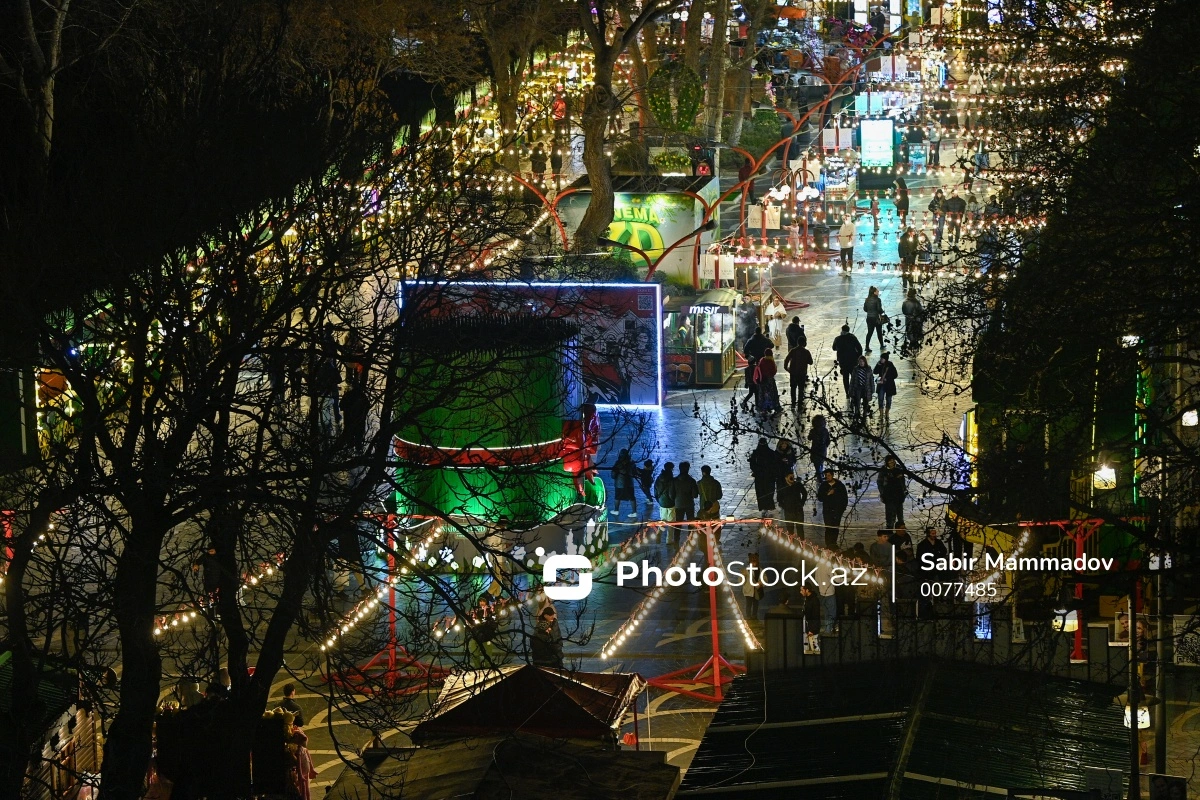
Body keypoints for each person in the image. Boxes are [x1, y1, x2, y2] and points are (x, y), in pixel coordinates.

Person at [284, 712, 318, 800]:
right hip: (302, 771)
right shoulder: (298, 748)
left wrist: (311, 768)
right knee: (303, 788)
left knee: (305, 787)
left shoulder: (300, 746)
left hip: (304, 770)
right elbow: (298, 762)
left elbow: (306, 754)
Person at [916, 527, 948, 618]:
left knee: (937, 590)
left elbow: (944, 552)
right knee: (925, 591)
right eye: (932, 533)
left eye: (935, 533)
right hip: (926, 572)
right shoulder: (922, 545)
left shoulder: (939, 543)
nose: (934, 535)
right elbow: (919, 559)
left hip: (937, 571)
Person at [816, 470, 848, 549]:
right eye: (826, 475)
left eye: (829, 475)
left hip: (837, 511)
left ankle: (834, 543)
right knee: (828, 528)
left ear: (832, 475)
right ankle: (829, 544)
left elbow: (844, 498)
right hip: (827, 510)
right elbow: (820, 497)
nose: (827, 477)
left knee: (835, 528)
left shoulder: (840, 486)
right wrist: (827, 494)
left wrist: (842, 509)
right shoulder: (823, 485)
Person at [742, 326, 771, 411]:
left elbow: (745, 349)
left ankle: (758, 403)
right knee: (761, 384)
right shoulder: (765, 339)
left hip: (755, 360)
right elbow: (771, 345)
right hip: (763, 363)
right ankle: (761, 403)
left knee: (754, 388)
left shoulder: (751, 340)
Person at [748, 437, 779, 514]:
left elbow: (752, 464)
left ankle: (766, 507)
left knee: (764, 492)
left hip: (764, 476)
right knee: (764, 492)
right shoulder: (770, 453)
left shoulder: (756, 453)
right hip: (765, 477)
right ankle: (765, 507)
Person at [878, 455, 908, 530]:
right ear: (887, 462)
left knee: (900, 514)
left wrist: (904, 491)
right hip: (888, 495)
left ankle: (901, 528)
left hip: (899, 494)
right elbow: (880, 483)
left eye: (892, 460)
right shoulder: (883, 470)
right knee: (889, 514)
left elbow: (902, 481)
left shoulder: (898, 468)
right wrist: (882, 494)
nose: (891, 462)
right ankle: (890, 528)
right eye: (890, 460)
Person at [832, 324, 863, 395]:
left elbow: (833, 348)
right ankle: (854, 391)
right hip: (853, 360)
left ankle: (847, 392)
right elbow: (859, 348)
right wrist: (858, 357)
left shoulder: (838, 338)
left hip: (843, 361)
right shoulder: (852, 337)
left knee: (845, 377)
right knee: (854, 376)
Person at [611, 448, 637, 519]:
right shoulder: (631, 463)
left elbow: (613, 474)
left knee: (617, 497)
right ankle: (634, 512)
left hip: (619, 484)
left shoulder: (618, 463)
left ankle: (616, 510)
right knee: (632, 497)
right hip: (629, 483)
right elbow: (635, 472)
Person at [673, 461, 699, 532]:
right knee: (691, 523)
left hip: (678, 504)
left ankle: (676, 541)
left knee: (678, 523)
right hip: (689, 504)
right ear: (688, 469)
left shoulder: (674, 480)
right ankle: (690, 540)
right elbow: (695, 495)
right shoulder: (692, 481)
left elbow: (671, 494)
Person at [753, 347, 780, 414]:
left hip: (763, 380)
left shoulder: (762, 360)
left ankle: (763, 407)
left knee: (763, 394)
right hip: (770, 380)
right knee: (772, 393)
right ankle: (773, 406)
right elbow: (774, 371)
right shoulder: (771, 361)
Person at [848, 355, 874, 423]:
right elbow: (852, 380)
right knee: (857, 402)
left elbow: (871, 379)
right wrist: (850, 390)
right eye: (860, 361)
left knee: (866, 403)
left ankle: (864, 416)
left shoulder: (868, 369)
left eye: (862, 361)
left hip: (866, 388)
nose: (861, 363)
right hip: (858, 388)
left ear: (865, 362)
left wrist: (872, 389)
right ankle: (857, 415)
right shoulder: (855, 369)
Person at [873, 352, 899, 419]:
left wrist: (887, 378)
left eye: (882, 358)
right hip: (881, 385)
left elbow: (895, 375)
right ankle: (881, 413)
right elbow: (874, 372)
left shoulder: (890, 365)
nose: (881, 359)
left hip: (889, 385)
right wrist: (877, 365)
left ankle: (887, 412)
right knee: (880, 398)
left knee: (888, 399)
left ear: (885, 359)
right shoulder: (879, 364)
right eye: (880, 358)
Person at [863, 286, 886, 353]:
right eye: (877, 291)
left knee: (869, 332)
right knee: (879, 332)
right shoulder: (877, 299)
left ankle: (867, 346)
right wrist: (882, 312)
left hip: (869, 318)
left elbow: (865, 309)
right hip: (876, 318)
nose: (878, 292)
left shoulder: (867, 299)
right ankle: (882, 345)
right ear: (874, 292)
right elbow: (879, 309)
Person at [901, 289, 925, 354]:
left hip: (908, 320)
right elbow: (921, 311)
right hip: (916, 320)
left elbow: (904, 311)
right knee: (915, 333)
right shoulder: (916, 302)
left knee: (910, 332)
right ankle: (915, 347)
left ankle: (911, 346)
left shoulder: (905, 302)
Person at [742, 553, 763, 618]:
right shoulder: (746, 570)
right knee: (748, 604)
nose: (753, 564)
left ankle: (754, 615)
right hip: (748, 590)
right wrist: (743, 576)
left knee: (755, 603)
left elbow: (764, 579)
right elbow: (740, 581)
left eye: (755, 563)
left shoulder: (760, 570)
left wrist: (761, 582)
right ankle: (748, 615)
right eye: (752, 563)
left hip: (756, 590)